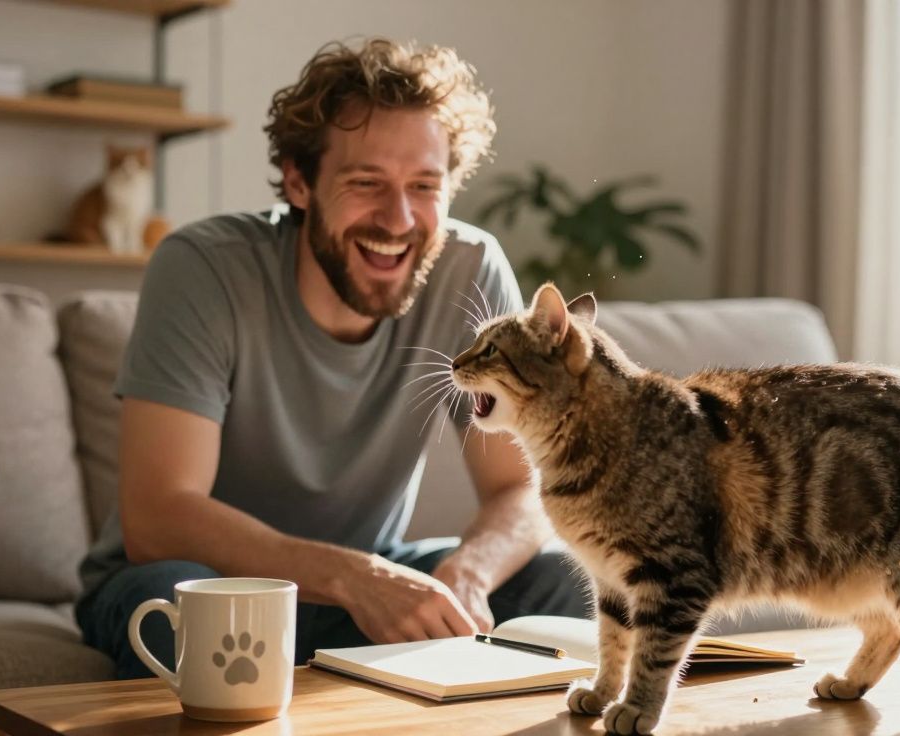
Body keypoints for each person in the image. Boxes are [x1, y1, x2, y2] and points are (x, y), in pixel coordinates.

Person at [75, 37, 589, 678]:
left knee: (559, 580)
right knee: (186, 601)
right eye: (365, 182)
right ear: (299, 181)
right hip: (198, 579)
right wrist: (355, 578)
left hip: (369, 579)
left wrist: (471, 574)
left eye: (425, 186)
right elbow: (158, 516)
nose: (398, 219)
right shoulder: (203, 268)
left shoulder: (471, 269)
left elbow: (523, 487)